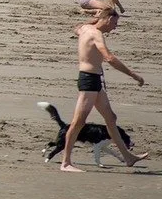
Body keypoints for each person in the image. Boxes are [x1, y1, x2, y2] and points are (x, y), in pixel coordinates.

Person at [59, 10, 147, 172]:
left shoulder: (86, 28)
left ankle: (128, 157)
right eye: (114, 23)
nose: (115, 27)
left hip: (95, 81)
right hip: (89, 80)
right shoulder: (97, 34)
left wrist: (95, 18)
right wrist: (133, 75)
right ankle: (66, 163)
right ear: (106, 19)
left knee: (111, 118)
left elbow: (76, 28)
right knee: (79, 122)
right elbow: (109, 58)